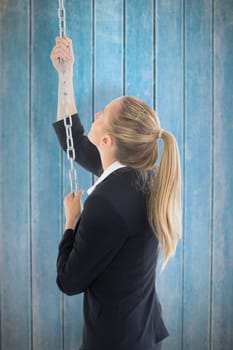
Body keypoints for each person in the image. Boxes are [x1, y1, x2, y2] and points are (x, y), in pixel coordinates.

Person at [50, 37, 182, 350]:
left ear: (109, 141)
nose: (95, 114)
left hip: (116, 342)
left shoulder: (106, 204)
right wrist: (64, 76)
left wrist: (71, 222)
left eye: (101, 114)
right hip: (142, 333)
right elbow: (74, 142)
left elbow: (69, 282)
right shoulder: (139, 175)